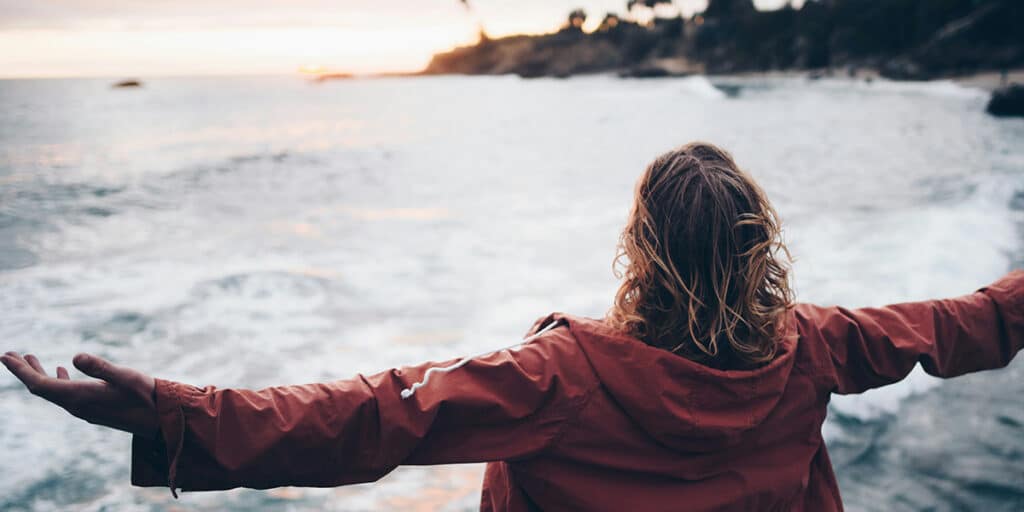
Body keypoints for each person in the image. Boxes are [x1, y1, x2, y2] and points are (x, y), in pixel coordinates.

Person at [3, 142, 1022, 511]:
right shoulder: (818, 345)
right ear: (760, 251)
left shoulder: (562, 375)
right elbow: (966, 319)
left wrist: (173, 411)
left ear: (641, 249)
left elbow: (365, 418)